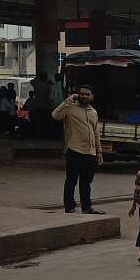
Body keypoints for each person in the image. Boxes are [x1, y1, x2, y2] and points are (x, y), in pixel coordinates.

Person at [53, 85, 103, 214]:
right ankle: (70, 207)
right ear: (77, 94)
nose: (84, 96)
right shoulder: (70, 108)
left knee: (86, 182)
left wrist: (99, 151)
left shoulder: (93, 112)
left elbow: (96, 132)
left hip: (90, 152)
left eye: (87, 94)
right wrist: (68, 100)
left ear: (92, 96)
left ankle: (86, 208)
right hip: (74, 150)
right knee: (71, 181)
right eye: (81, 94)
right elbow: (55, 115)